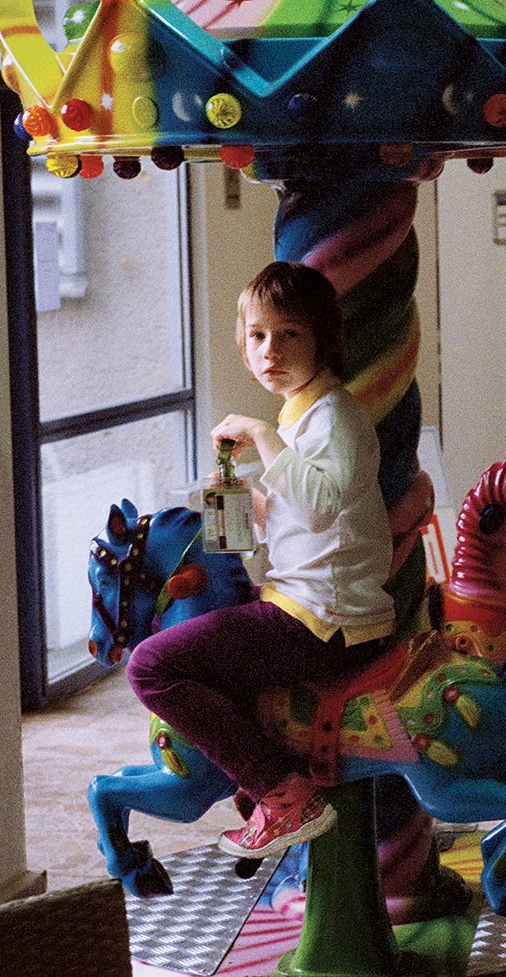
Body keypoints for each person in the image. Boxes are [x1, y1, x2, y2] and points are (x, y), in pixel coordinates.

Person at [127, 261, 397, 859]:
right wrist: (250, 504)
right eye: (258, 336)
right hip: (307, 603)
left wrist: (260, 436)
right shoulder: (302, 413)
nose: (270, 349)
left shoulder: (336, 415)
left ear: (325, 340)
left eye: (290, 334)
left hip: (325, 619)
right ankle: (254, 788)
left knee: (150, 667)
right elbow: (313, 514)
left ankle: (280, 791)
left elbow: (324, 504)